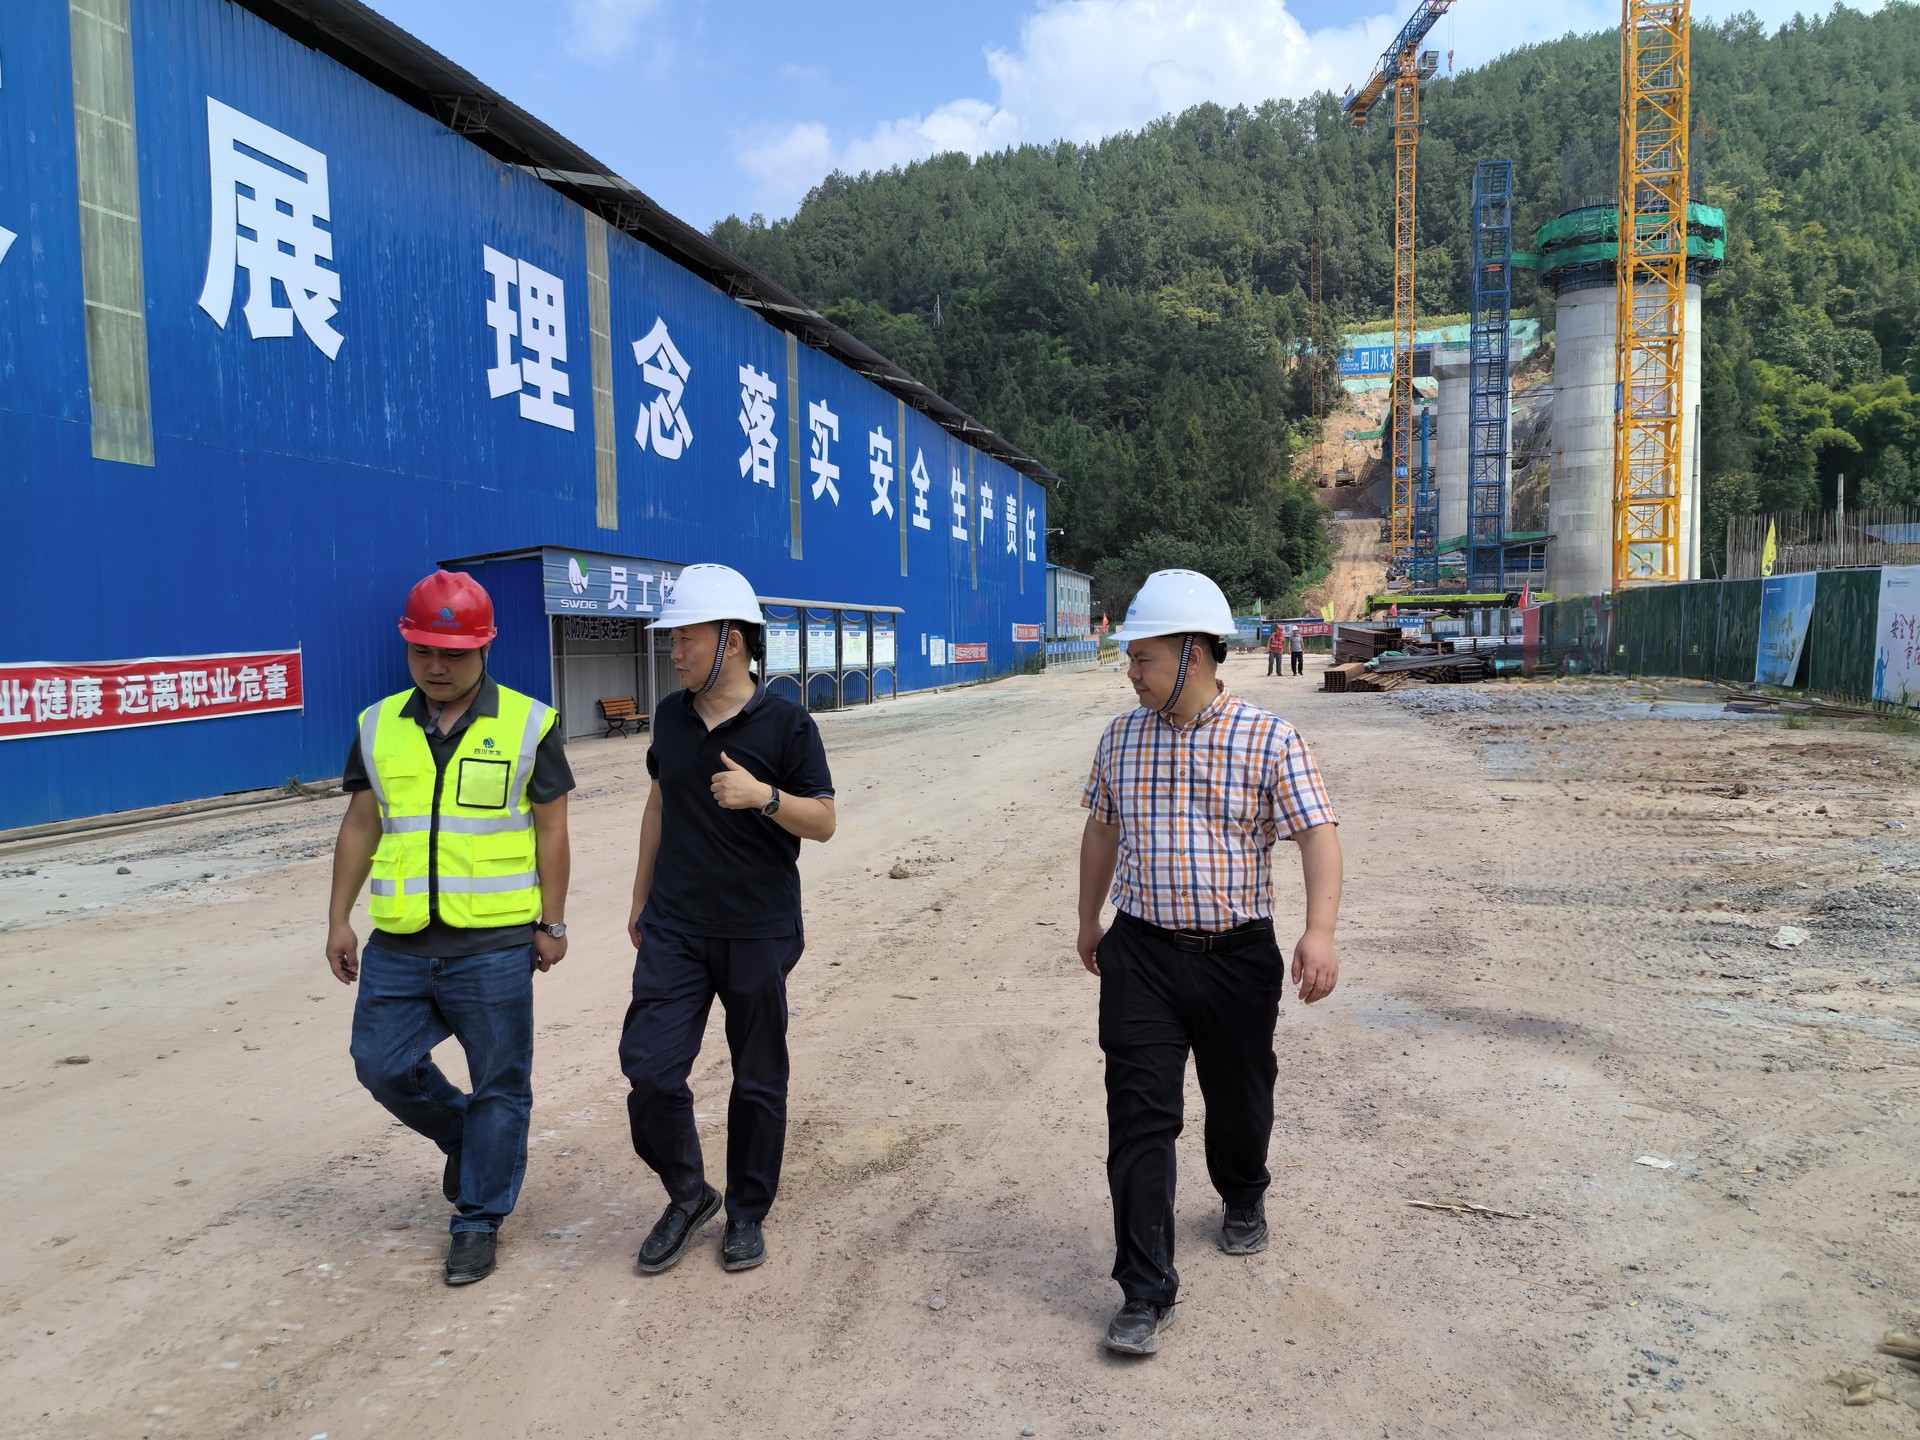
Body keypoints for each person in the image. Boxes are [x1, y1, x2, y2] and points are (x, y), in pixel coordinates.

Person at [1075, 568, 1344, 1356]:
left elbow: (1317, 833)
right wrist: (1089, 918)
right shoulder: (1120, 738)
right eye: (1130, 658)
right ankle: (1144, 1290)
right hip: (1142, 953)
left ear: (1192, 654)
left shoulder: (1270, 738)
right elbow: (1101, 829)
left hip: (1236, 957)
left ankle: (1243, 1191)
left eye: (1143, 658)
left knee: (1239, 1098)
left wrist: (1319, 931)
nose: (1131, 672)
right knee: (1138, 1117)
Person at [326, 570, 574, 1287]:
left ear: (484, 648)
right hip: (400, 941)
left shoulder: (529, 724)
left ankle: (478, 1219)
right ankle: (466, 1135)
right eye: (423, 651)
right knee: (379, 1063)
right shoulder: (377, 725)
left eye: (453, 654)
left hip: (493, 944)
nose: (436, 667)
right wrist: (338, 918)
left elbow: (552, 831)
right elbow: (361, 823)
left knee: (501, 1082)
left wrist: (553, 922)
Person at [621, 564, 837, 1276]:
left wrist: (763, 797)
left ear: (733, 641)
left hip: (758, 929)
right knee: (650, 1068)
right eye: (673, 639)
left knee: (758, 1078)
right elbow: (659, 803)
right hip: (676, 925)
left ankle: (747, 1212)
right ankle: (689, 1195)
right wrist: (640, 898)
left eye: (686, 638)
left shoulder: (789, 724)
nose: (674, 652)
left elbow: (824, 821)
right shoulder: (671, 717)